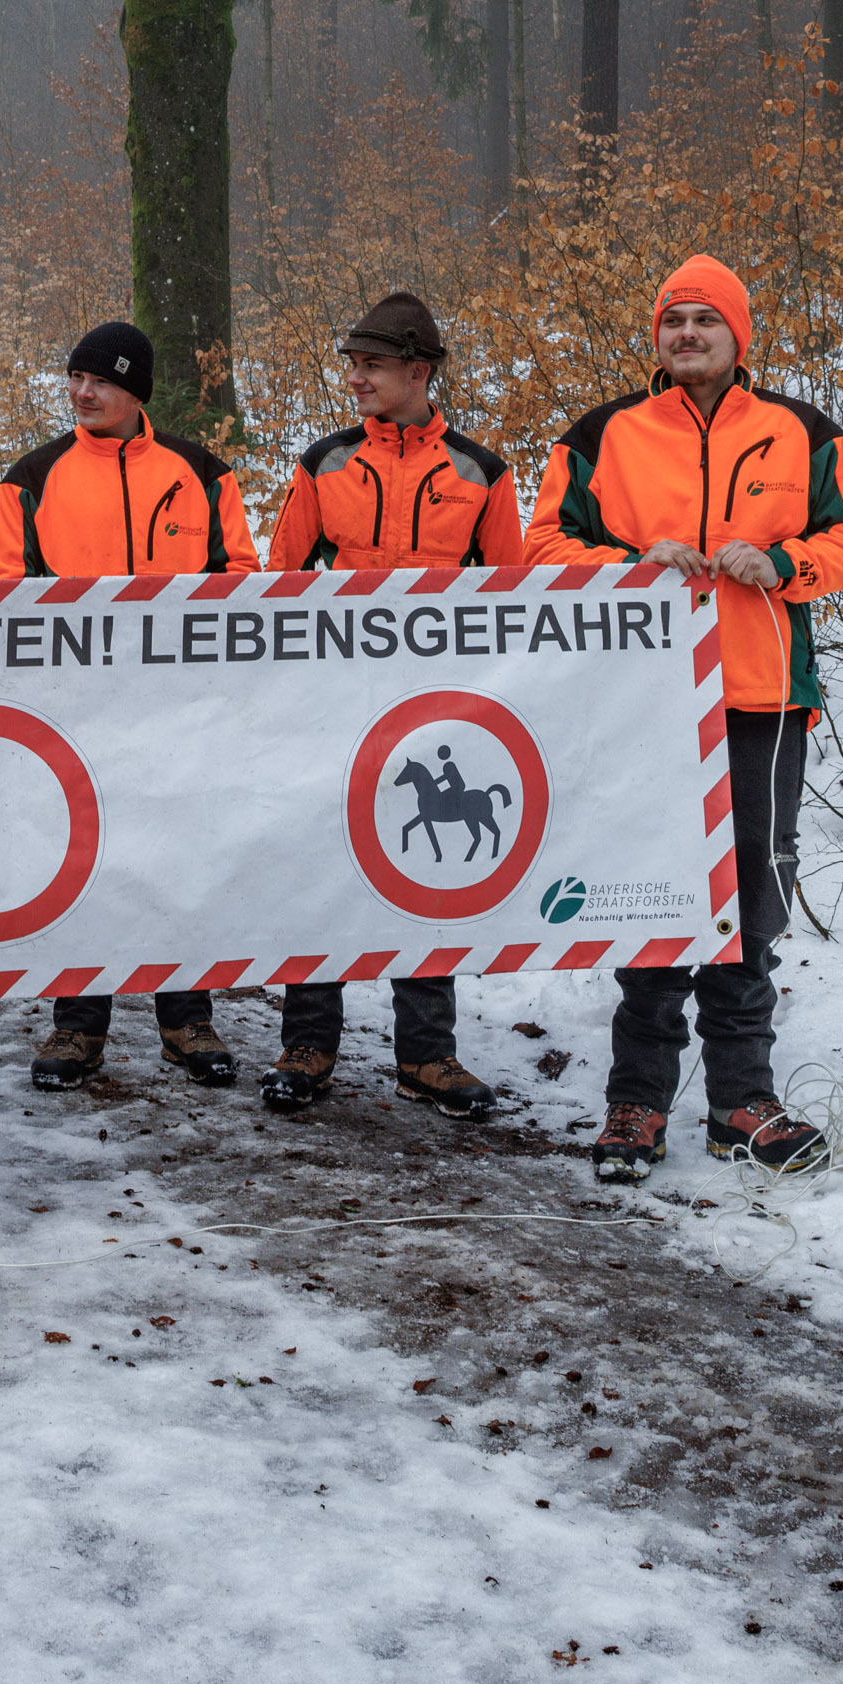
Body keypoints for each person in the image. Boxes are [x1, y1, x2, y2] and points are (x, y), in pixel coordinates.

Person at [525, 254, 843, 1181]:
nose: (687, 333)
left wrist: (788, 563)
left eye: (705, 320)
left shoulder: (799, 431)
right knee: (652, 896)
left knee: (751, 903)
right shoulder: (603, 433)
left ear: (739, 335)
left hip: (763, 698)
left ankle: (742, 1101)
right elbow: (541, 541)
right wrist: (629, 561)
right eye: (673, 319)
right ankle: (636, 1100)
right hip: (640, 702)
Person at [260, 291, 517, 1120]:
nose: (356, 379)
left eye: (371, 365)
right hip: (335, 703)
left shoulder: (482, 472)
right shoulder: (323, 462)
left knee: (428, 867)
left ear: (419, 370)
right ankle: (307, 1043)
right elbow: (279, 587)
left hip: (438, 706)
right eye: (353, 364)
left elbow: (516, 600)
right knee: (320, 859)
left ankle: (428, 1055)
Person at [0, 319, 259, 1093]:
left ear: (134, 389)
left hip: (178, 711)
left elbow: (239, 576)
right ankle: (77, 1024)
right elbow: (4, 590)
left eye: (98, 381)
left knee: (177, 858)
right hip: (76, 711)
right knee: (83, 859)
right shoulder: (32, 476)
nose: (81, 393)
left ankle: (186, 1018)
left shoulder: (201, 472)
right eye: (74, 378)